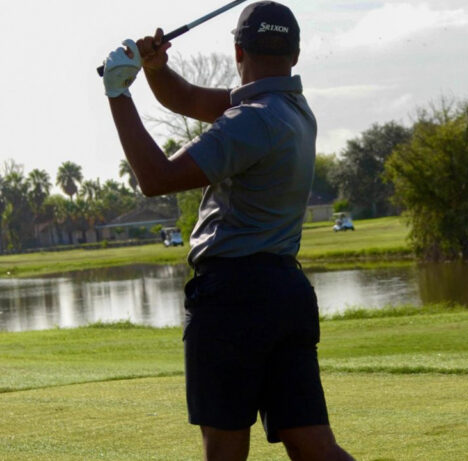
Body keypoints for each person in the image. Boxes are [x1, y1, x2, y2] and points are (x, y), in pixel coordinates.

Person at [102, 2, 355, 460]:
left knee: (224, 451)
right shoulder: (291, 109)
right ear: (295, 56)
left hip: (233, 300)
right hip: (286, 294)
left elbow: (155, 178)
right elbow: (189, 100)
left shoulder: (251, 119)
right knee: (314, 445)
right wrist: (158, 69)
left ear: (239, 51)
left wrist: (118, 92)